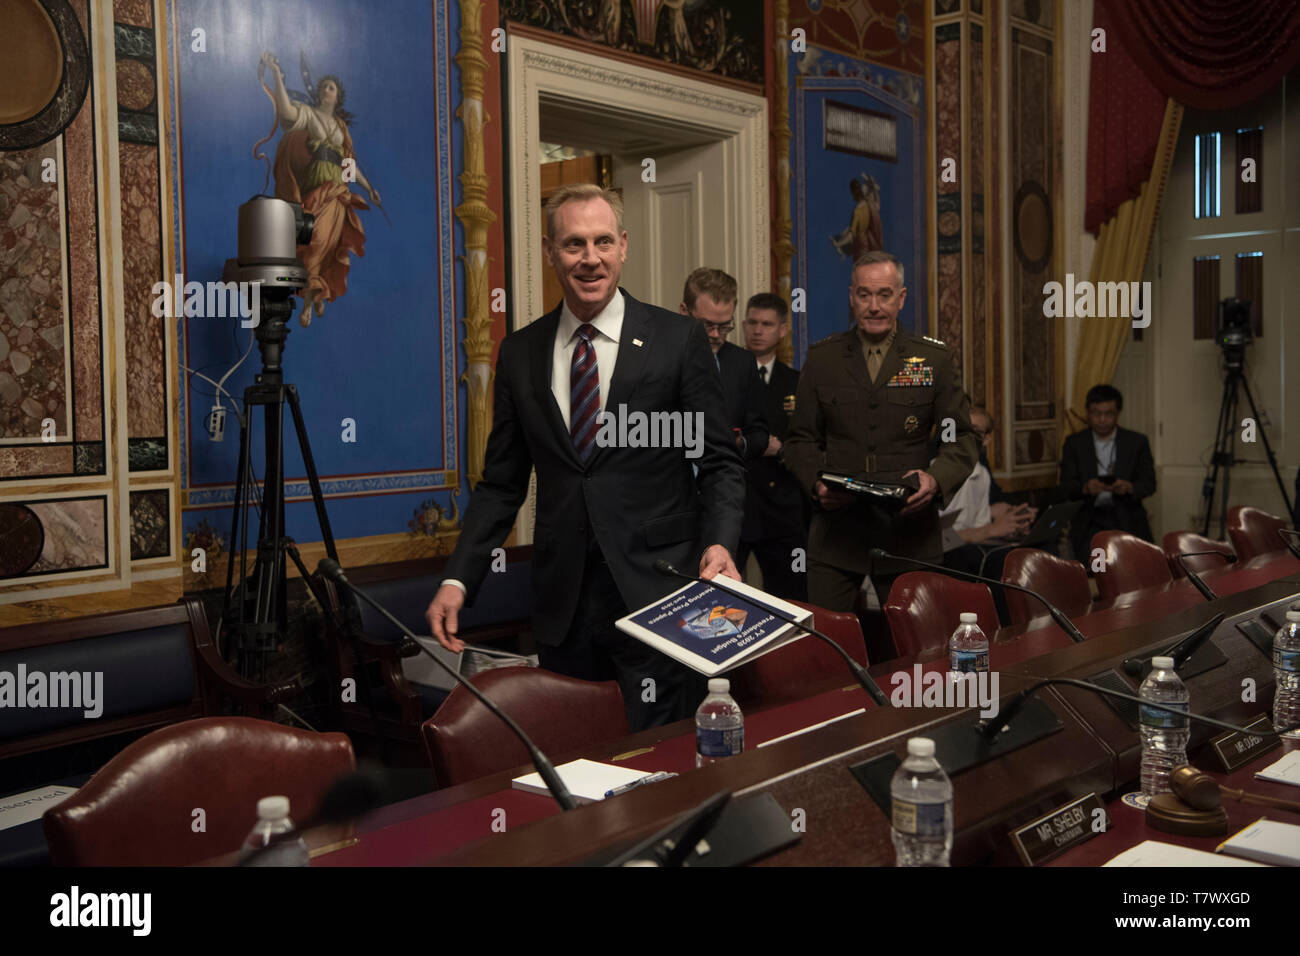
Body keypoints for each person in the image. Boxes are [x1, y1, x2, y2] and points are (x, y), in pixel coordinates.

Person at [425, 184, 745, 731]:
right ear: (551, 252)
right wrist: (458, 580)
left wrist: (719, 544)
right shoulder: (521, 353)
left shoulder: (678, 339)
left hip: (661, 596)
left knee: (663, 762)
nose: (590, 258)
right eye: (574, 244)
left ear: (623, 246)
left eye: (602, 242)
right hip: (563, 608)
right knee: (579, 761)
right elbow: (502, 483)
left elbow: (719, 460)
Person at [784, 251, 979, 613]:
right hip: (836, 537)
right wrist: (816, 484)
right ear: (851, 297)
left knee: (920, 648)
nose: (874, 306)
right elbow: (800, 439)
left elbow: (962, 435)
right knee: (831, 645)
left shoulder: (932, 360)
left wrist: (936, 480)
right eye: (864, 294)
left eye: (884, 295)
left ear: (901, 298)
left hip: (909, 535)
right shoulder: (822, 359)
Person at [736, 293, 808, 601]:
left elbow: (810, 441)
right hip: (737, 504)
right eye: (752, 322)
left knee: (790, 598)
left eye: (766, 324)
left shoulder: (798, 382)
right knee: (724, 599)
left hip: (783, 507)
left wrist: (781, 450)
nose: (757, 330)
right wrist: (756, 445)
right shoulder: (724, 374)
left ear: (782, 330)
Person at [939, 406, 1036, 618]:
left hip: (969, 552)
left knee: (1021, 557)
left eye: (974, 431)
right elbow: (940, 539)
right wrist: (991, 530)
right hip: (942, 559)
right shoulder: (938, 472)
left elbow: (980, 530)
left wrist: (1008, 529)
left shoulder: (981, 473)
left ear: (986, 439)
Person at [1058, 384, 1157, 563]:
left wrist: (1129, 487)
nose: (1102, 419)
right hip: (1090, 521)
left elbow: (1149, 484)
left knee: (1132, 572)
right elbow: (1065, 487)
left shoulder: (1136, 442)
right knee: (1100, 573)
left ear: (1117, 413)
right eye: (1096, 413)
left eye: (1108, 414)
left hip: (1127, 519)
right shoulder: (1075, 443)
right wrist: (1086, 488)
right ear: (1088, 413)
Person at [679, 268, 769, 460]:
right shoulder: (658, 355)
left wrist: (740, 443)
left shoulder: (743, 363)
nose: (715, 334)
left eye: (724, 326)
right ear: (685, 312)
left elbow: (759, 433)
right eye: (707, 325)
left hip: (725, 480)